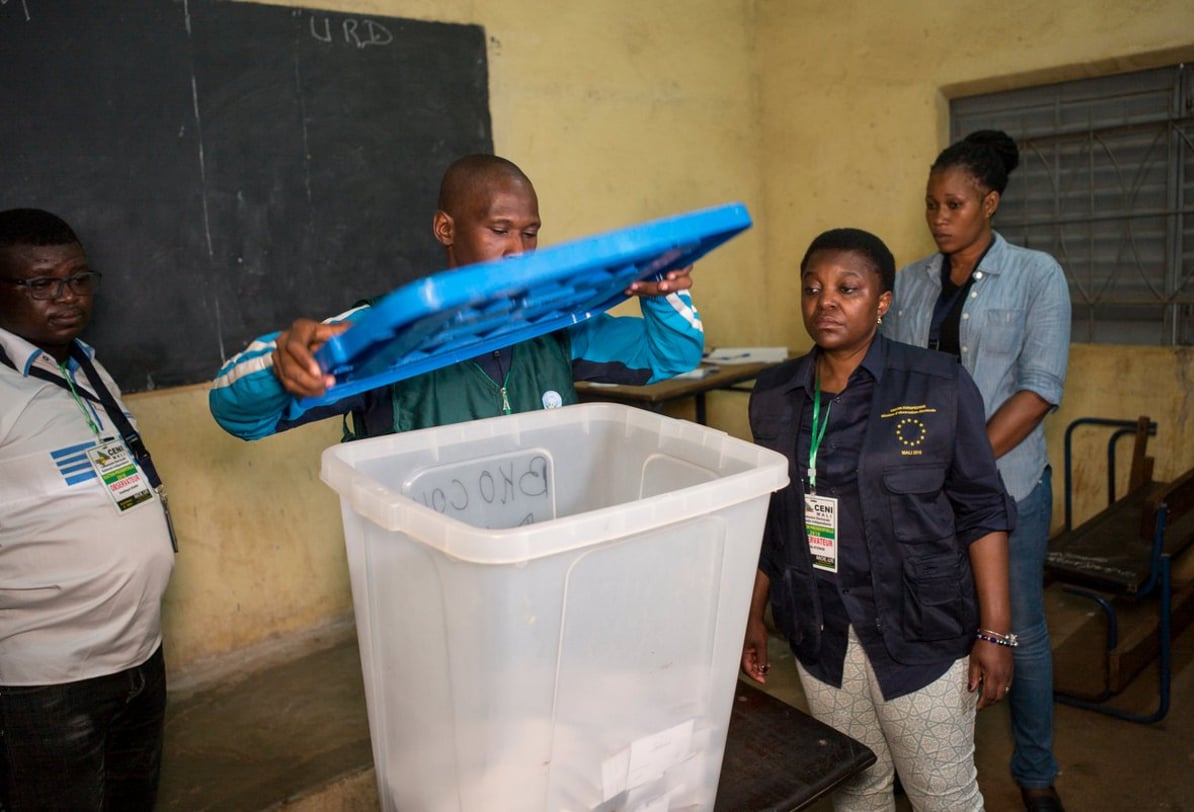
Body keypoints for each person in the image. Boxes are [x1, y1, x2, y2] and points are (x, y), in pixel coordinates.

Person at [740, 227, 1016, 811]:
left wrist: (994, 631)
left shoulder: (937, 385)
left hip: (919, 631)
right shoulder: (774, 393)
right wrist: (752, 612)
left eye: (848, 288)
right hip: (821, 632)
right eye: (812, 289)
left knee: (943, 797)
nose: (826, 302)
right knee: (855, 790)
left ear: (883, 302)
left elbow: (982, 509)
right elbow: (771, 515)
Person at [210, 154, 703, 439]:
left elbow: (672, 354)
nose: (518, 250)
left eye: (530, 233)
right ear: (446, 228)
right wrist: (284, 362)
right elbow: (237, 415)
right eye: (499, 230)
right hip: (429, 580)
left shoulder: (554, 328)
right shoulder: (384, 334)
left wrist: (660, 290)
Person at [883, 130, 1071, 812]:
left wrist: (961, 462)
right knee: (928, 624)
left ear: (988, 204)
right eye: (931, 204)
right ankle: (924, 766)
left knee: (1014, 625)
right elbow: (890, 380)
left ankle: (1035, 772)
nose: (938, 217)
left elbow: (1038, 387)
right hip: (921, 491)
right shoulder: (908, 282)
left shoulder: (1035, 275)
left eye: (954, 204)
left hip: (1006, 484)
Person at [0, 208, 176, 810]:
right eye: (41, 284)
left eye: (78, 279)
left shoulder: (84, 366)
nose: (67, 297)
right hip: (46, 684)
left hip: (138, 657)